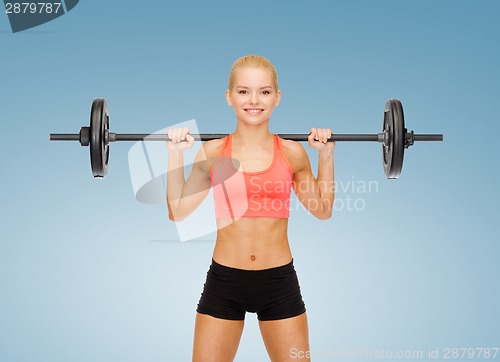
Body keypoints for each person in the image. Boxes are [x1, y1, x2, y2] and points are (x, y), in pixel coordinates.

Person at [166, 54, 334, 362]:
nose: (254, 100)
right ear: (229, 96)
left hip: (279, 282)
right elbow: (177, 211)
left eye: (264, 92)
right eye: (244, 91)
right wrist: (175, 154)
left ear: (277, 98)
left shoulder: (293, 153)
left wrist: (325, 155)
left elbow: (322, 209)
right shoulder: (215, 151)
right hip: (224, 281)